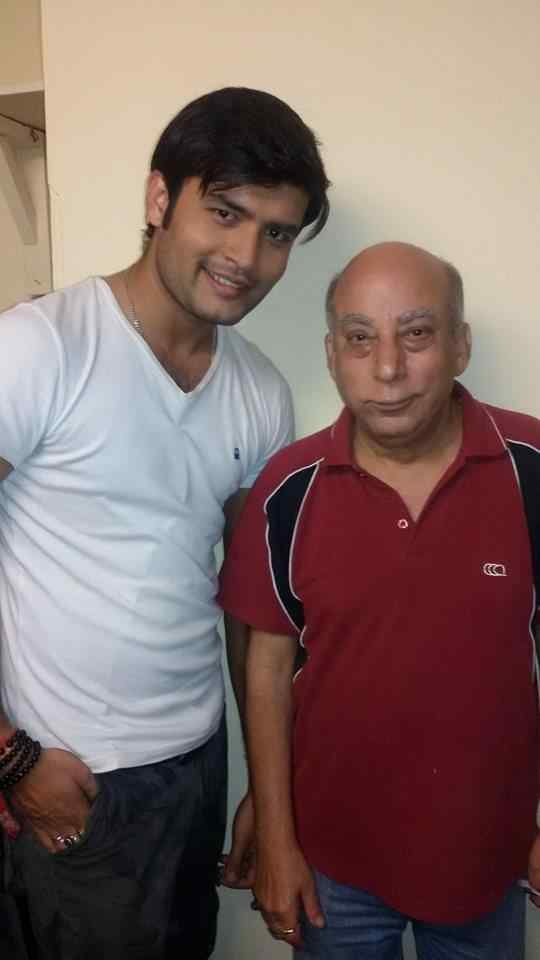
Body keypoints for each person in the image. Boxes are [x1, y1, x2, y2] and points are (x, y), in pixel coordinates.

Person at [0, 85, 330, 960]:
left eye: (276, 234)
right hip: (69, 774)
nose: (245, 256)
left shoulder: (260, 392)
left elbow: (252, 609)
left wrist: (264, 789)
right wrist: (10, 758)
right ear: (159, 199)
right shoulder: (41, 348)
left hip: (196, 763)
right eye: (224, 212)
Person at [219, 241, 540, 959]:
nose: (388, 368)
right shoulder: (289, 487)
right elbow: (266, 671)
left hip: (487, 855)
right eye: (360, 339)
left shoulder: (531, 468)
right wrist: (278, 837)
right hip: (332, 864)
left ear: (460, 345)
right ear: (332, 354)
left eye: (416, 334)